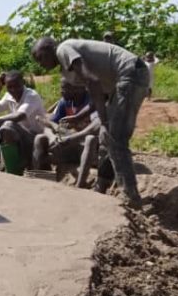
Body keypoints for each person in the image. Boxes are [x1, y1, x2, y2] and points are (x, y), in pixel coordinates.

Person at [31, 36, 149, 208]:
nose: (39, 63)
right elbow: (98, 94)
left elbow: (92, 81)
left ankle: (131, 196)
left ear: (50, 49)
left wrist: (103, 118)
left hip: (130, 73)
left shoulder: (63, 49)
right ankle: (101, 186)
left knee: (115, 138)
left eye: (40, 57)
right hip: (128, 77)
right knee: (105, 136)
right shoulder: (66, 69)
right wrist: (79, 117)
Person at [33, 80, 100, 188]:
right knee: (40, 138)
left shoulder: (91, 102)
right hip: (70, 145)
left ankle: (80, 184)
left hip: (90, 150)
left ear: (78, 89)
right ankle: (41, 181)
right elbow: (52, 122)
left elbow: (95, 129)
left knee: (90, 138)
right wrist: (54, 129)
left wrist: (70, 138)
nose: (61, 92)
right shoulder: (65, 102)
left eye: (64, 88)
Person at [0, 70, 47, 174]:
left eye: (17, 86)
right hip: (17, 136)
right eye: (9, 87)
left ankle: (13, 169)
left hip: (34, 139)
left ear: (23, 83)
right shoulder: (8, 96)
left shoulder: (31, 95)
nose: (13, 90)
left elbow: (20, 115)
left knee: (8, 125)